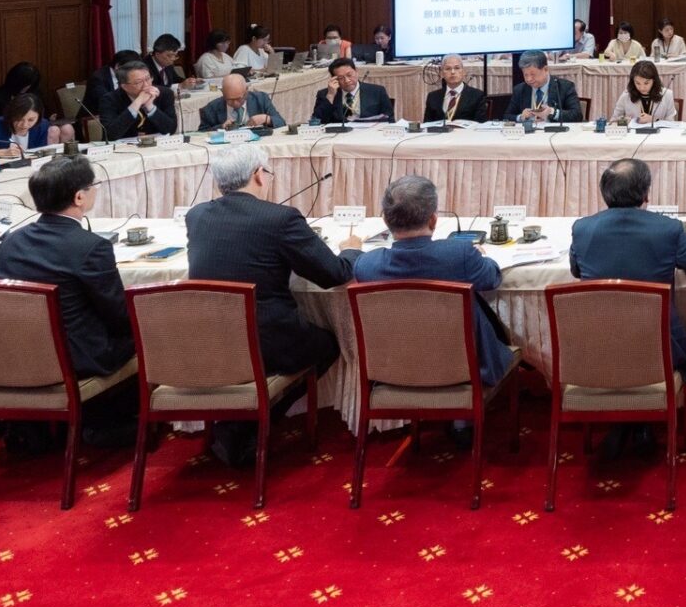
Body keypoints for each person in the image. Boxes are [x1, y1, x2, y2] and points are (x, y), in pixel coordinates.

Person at [184, 145, 361, 467]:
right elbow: (334, 275)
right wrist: (351, 250)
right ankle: (255, 422)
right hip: (266, 342)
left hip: (210, 341)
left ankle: (240, 424)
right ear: (257, 175)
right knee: (328, 344)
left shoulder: (196, 216)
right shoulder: (280, 219)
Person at [0, 154, 137, 444]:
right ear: (79, 197)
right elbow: (117, 314)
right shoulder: (91, 247)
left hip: (19, 351)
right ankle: (108, 423)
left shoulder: (12, 241)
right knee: (146, 330)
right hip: (75, 357)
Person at [350, 175, 517, 396]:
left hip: (396, 369)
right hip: (467, 368)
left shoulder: (366, 266)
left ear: (386, 221)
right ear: (433, 220)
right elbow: (492, 278)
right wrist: (480, 256)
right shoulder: (459, 254)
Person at [569, 158, 686, 383]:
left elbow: (576, 271)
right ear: (646, 194)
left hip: (597, 351)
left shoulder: (582, 228)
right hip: (659, 352)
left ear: (604, 193)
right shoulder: (667, 229)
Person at [0, 93, 65, 161]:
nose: (25, 125)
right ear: (11, 114)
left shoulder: (42, 125)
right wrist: (2, 152)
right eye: (19, 119)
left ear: (38, 117)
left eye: (31, 120)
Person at [97, 60, 177, 140]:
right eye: (138, 82)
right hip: (123, 146)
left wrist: (150, 106)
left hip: (156, 144)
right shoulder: (109, 100)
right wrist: (137, 102)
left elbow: (171, 130)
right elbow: (110, 134)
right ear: (124, 86)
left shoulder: (164, 94)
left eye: (148, 79)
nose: (146, 85)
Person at [506, 51, 585, 124]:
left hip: (554, 133)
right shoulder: (519, 89)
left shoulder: (564, 87)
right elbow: (507, 116)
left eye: (533, 74)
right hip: (528, 133)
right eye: (525, 75)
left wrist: (552, 112)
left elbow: (577, 116)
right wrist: (521, 117)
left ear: (546, 69)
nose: (529, 79)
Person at [311, 58, 394, 123]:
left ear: (356, 71)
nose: (347, 80)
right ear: (334, 79)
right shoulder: (325, 94)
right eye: (341, 78)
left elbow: (389, 119)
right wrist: (330, 96)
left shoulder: (377, 91)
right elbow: (317, 122)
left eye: (349, 75)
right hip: (338, 137)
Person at [200, 72, 282, 132]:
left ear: (246, 91)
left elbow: (281, 122)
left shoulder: (261, 99)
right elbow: (200, 134)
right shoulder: (211, 108)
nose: (235, 103)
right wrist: (221, 127)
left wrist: (266, 119)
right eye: (230, 100)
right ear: (223, 93)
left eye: (239, 99)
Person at [611, 60, 680, 125]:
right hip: (633, 134)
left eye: (646, 83)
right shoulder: (626, 96)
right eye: (637, 83)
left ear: (654, 80)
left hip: (659, 134)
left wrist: (655, 120)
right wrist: (626, 121)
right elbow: (612, 122)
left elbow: (671, 124)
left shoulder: (667, 95)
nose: (642, 88)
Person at [424, 55, 488, 124]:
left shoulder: (477, 96)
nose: (452, 72)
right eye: (448, 69)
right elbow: (427, 125)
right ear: (442, 74)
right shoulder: (432, 97)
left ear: (463, 72)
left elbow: (480, 125)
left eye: (457, 68)